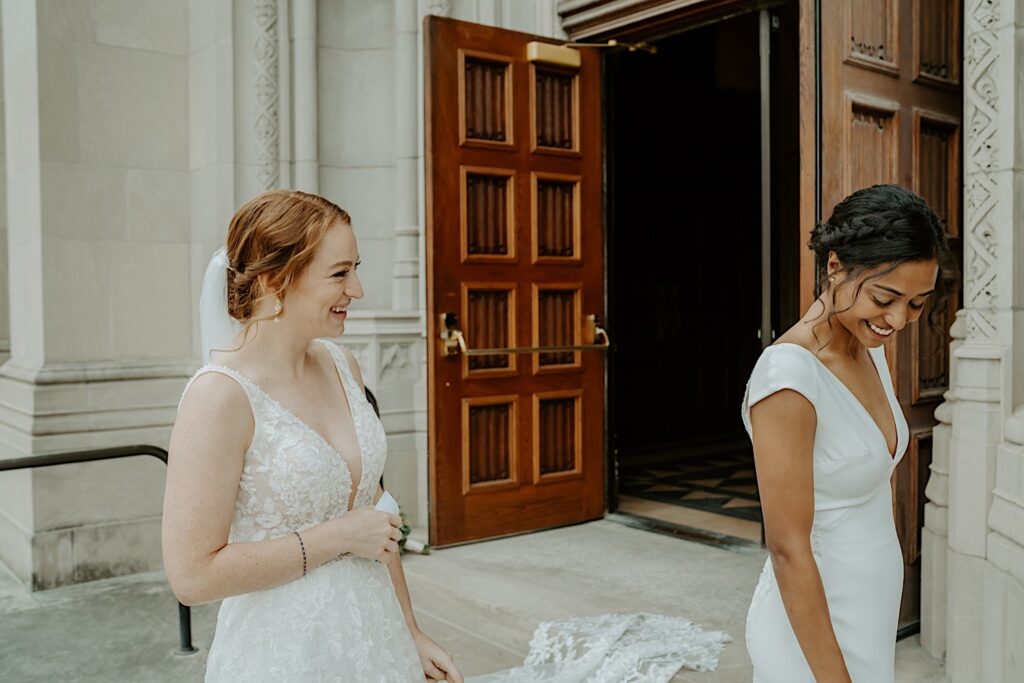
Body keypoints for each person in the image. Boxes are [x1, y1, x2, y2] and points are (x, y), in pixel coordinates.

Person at [161, 190, 463, 682]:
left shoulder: (343, 364)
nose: (358, 290)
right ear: (275, 280)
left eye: (355, 269)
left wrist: (410, 630)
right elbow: (192, 575)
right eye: (340, 273)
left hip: (375, 635)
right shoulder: (219, 397)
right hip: (284, 655)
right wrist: (336, 537)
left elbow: (375, 511)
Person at [742, 184, 955, 682]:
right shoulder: (789, 377)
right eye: (886, 298)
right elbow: (788, 547)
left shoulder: (869, 347)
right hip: (814, 636)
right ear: (835, 266)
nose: (899, 320)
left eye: (917, 304)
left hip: (869, 616)